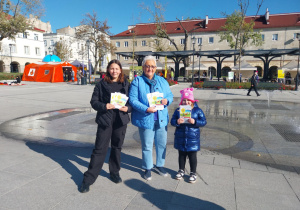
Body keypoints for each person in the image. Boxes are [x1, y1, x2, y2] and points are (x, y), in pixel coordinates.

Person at [79, 60, 132, 193]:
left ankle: (114, 172)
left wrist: (128, 108)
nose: (114, 71)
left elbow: (132, 101)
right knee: (99, 149)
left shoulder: (126, 84)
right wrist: (104, 106)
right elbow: (94, 101)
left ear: (120, 70)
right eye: (112, 68)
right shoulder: (101, 84)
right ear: (108, 70)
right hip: (105, 120)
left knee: (117, 147)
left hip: (120, 120)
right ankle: (88, 179)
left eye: (117, 68)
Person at [129, 55, 173, 181]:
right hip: (146, 117)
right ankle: (147, 168)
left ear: (155, 68)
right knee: (147, 145)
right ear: (143, 67)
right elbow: (133, 100)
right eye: (147, 66)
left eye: (152, 66)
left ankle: (159, 165)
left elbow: (170, 95)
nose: (150, 68)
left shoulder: (162, 81)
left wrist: (167, 100)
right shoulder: (137, 81)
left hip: (161, 118)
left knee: (161, 143)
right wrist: (146, 108)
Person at [171, 88, 207, 183]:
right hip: (181, 136)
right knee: (181, 155)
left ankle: (193, 172)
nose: (186, 102)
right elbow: (172, 121)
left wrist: (195, 121)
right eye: (184, 100)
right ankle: (181, 170)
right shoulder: (178, 110)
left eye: (188, 100)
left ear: (192, 101)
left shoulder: (197, 110)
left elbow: (204, 121)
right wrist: (177, 122)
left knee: (192, 156)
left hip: (193, 138)